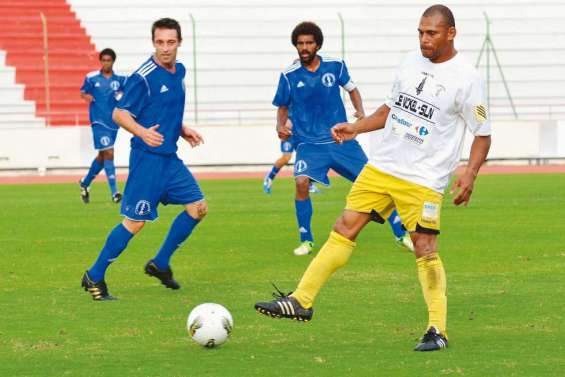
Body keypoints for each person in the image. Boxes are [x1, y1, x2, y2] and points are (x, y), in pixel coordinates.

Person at [255, 5, 492, 352]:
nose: (424, 39)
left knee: (424, 248)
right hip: (383, 165)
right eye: (421, 32)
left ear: (451, 33)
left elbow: (482, 133)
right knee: (343, 226)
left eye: (432, 33)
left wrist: (470, 173)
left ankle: (437, 329)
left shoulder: (467, 78)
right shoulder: (410, 62)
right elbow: (389, 110)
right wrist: (355, 128)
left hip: (423, 178)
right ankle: (302, 299)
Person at [81, 18, 207, 300]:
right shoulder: (143, 77)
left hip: (170, 159)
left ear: (179, 43)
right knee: (135, 223)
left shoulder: (179, 71)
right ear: (153, 43)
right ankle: (95, 275)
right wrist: (141, 132)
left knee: (198, 208)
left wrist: (182, 129)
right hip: (147, 160)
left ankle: (160, 264)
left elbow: (166, 107)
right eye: (160, 42)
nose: (165, 48)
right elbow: (119, 113)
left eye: (170, 42)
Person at [272, 21, 411, 256]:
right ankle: (306, 239)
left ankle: (401, 233)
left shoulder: (335, 66)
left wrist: (360, 113)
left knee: (375, 184)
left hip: (341, 140)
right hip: (309, 144)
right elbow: (283, 107)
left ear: (317, 44)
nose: (304, 47)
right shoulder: (289, 75)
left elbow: (352, 89)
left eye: (309, 43)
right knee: (301, 183)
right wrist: (279, 125)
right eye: (300, 44)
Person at [79, 48, 126, 204]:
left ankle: (85, 183)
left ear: (113, 61)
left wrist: (122, 97)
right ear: (100, 61)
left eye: (109, 60)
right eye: (103, 60)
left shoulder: (120, 80)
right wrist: (88, 97)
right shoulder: (92, 77)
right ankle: (115, 192)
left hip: (113, 122)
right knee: (109, 153)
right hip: (98, 121)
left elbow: (127, 93)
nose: (106, 63)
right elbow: (83, 92)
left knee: (102, 156)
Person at [263, 120, 320, 195]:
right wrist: (281, 129)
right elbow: (282, 116)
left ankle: (308, 184)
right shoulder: (289, 109)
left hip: (301, 135)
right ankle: (269, 178)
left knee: (307, 156)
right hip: (288, 134)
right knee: (286, 157)